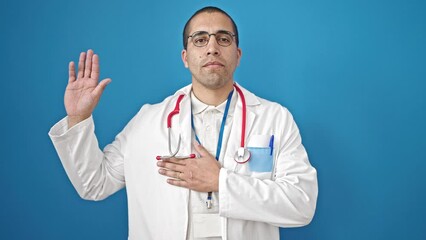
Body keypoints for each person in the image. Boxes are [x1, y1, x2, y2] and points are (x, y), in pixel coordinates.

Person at [49, 6, 318, 240]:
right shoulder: (147, 121)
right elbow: (94, 183)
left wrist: (220, 181)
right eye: (200, 39)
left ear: (237, 54)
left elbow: (301, 205)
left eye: (223, 39)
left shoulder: (274, 118)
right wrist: (78, 118)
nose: (212, 47)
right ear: (185, 57)